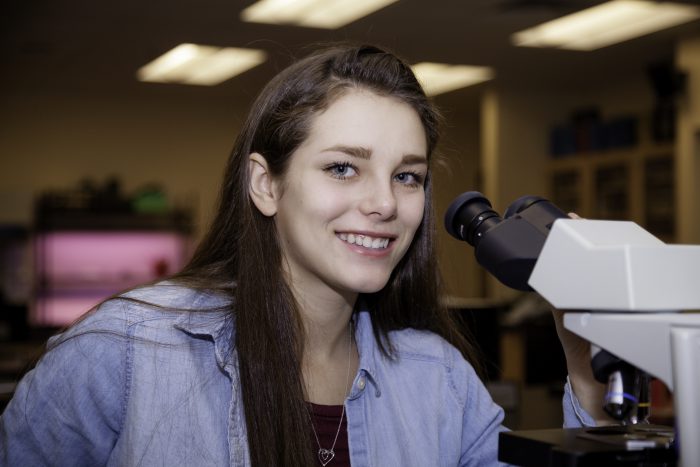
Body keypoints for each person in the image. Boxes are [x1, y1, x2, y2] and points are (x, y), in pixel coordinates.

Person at [0, 44, 609, 466]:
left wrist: (581, 361)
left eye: (407, 176)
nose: (383, 204)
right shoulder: (128, 351)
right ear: (265, 184)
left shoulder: (438, 379)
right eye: (343, 168)